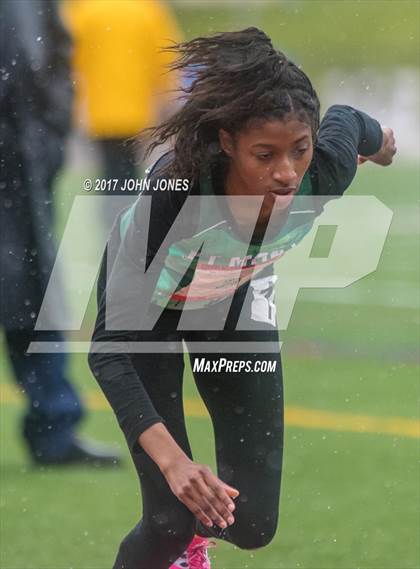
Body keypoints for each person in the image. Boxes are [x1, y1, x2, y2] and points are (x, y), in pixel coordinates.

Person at [88, 28, 396, 568]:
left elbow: (350, 120)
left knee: (250, 524)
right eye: (264, 154)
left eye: (298, 150)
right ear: (227, 143)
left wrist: (382, 144)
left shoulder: (322, 169)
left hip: (229, 301)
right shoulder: (176, 193)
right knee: (168, 521)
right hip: (149, 319)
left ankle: (195, 542)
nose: (285, 174)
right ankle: (179, 543)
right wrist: (175, 464)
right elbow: (108, 350)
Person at [0, 0, 121, 467]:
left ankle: (54, 426)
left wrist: (51, 131)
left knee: (35, 293)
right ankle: (53, 422)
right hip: (20, 153)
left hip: (24, 162)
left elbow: (55, 54)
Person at [64, 0, 183, 229]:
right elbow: (165, 59)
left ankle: (113, 223)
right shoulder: (147, 11)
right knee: (127, 170)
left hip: (99, 111)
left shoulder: (83, 11)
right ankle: (129, 222)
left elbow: (70, 59)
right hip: (138, 110)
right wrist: (166, 100)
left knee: (111, 171)